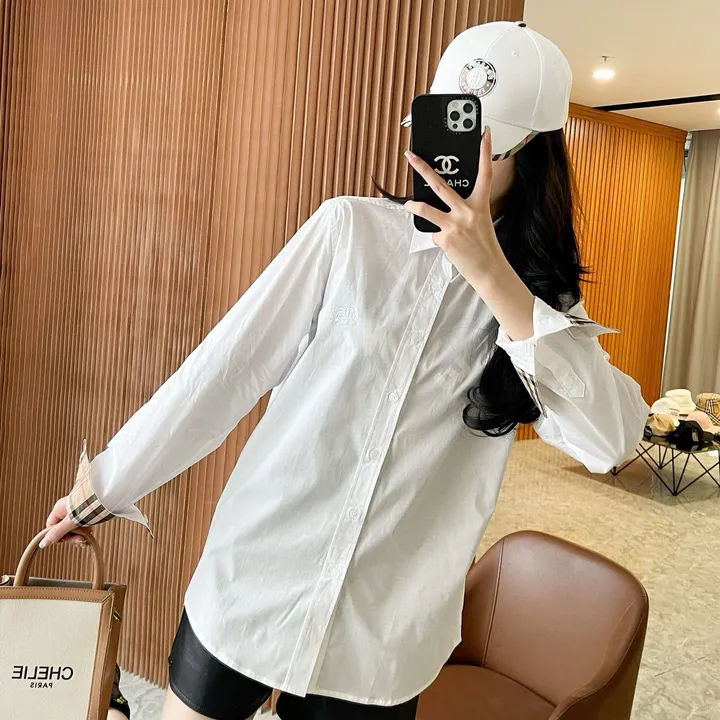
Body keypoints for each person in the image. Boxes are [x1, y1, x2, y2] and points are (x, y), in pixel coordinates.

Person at [43, 21, 648, 720]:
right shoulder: (349, 232)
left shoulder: (540, 307)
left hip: (382, 635)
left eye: (490, 145)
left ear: (533, 152)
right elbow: (224, 370)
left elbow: (609, 442)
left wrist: (496, 282)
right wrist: (106, 486)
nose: (458, 162)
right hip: (253, 577)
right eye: (449, 134)